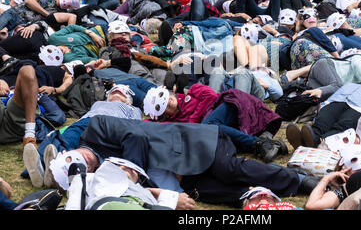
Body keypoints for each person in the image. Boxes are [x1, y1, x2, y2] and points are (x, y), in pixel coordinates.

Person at [49, 115, 319, 207]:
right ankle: (259, 195)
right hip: (180, 174)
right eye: (86, 165)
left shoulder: (95, 129)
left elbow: (136, 138)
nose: (86, 159)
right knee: (205, 194)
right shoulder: (99, 174)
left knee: (228, 169)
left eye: (79, 156)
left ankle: (300, 180)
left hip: (192, 143)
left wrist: (132, 177)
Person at [22, 83, 144, 188]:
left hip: (112, 125)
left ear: (128, 99)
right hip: (88, 121)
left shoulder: (134, 109)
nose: (118, 90)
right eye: (114, 90)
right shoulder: (98, 103)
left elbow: (134, 128)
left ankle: (49, 169)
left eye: (122, 92)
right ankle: (41, 169)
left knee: (89, 152)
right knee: (65, 138)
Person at [143, 84, 287, 162]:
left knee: (208, 125)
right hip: (220, 126)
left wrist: (193, 120)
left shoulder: (193, 91)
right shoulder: (174, 122)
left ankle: (260, 143)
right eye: (164, 107)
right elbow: (146, 124)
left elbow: (211, 96)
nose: (168, 102)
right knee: (217, 139)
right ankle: (270, 145)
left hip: (227, 105)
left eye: (165, 98)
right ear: (163, 114)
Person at [64, 157, 195, 210]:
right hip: (113, 205)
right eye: (120, 165)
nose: (129, 169)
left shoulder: (142, 191)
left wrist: (159, 194)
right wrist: (168, 197)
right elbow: (74, 202)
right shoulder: (90, 178)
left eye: (135, 172)